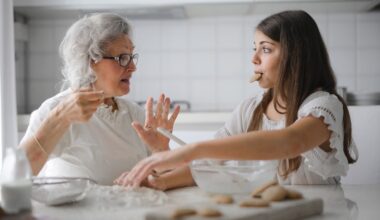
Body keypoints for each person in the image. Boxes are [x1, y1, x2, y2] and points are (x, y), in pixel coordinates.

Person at [114, 10, 359, 188]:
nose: (254, 59)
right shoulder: (250, 109)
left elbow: (291, 142)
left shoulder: (324, 106)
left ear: (296, 56)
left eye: (265, 49)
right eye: (254, 48)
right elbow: (212, 164)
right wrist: (162, 177)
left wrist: (193, 149)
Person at [19, 13, 180, 185]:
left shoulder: (135, 115)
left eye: (131, 57)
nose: (133, 67)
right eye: (123, 58)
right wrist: (60, 118)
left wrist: (161, 150)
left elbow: (167, 180)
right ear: (90, 60)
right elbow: (17, 175)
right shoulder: (56, 109)